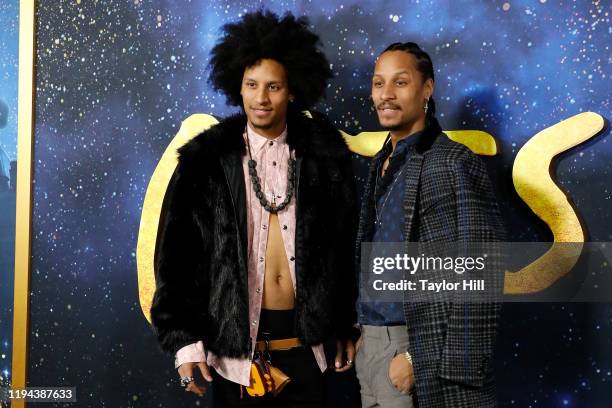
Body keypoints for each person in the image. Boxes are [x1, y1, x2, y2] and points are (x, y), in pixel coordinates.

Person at [150, 11, 358, 407]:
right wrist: (184, 346)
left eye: (273, 86)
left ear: (292, 90)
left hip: (309, 353)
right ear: (238, 88)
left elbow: (344, 247)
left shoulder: (325, 157)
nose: (261, 98)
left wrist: (345, 324)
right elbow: (176, 259)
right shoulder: (205, 160)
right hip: (234, 360)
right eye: (252, 85)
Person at [354, 42, 506, 408]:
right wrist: (362, 335)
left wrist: (415, 359)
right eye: (378, 83)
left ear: (427, 88)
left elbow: (481, 272)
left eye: (400, 82)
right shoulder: (380, 163)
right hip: (370, 348)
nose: (385, 95)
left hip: (417, 349)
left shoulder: (452, 162)